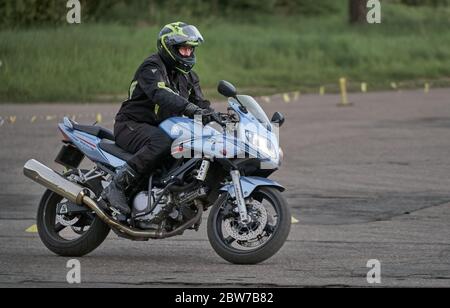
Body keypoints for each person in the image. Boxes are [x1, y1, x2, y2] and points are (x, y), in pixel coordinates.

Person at [103, 22, 214, 215]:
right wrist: (189, 108)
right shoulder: (152, 67)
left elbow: (201, 104)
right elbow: (160, 93)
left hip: (161, 127)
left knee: (192, 147)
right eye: (183, 49)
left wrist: (218, 117)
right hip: (131, 125)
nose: (187, 54)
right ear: (169, 48)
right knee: (162, 141)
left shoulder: (189, 76)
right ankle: (117, 186)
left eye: (190, 49)